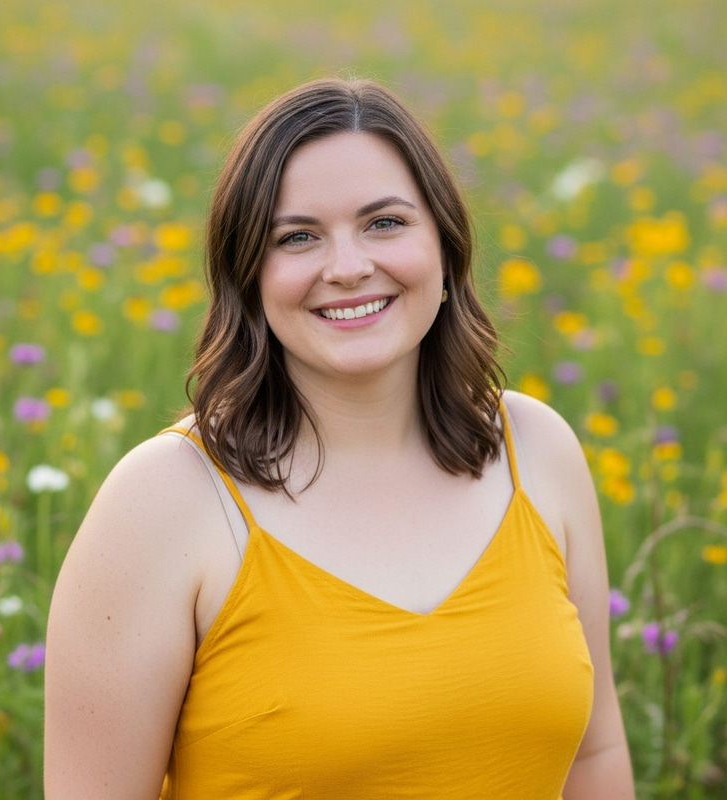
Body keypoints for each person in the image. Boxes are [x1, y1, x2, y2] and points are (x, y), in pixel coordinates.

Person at [44, 77, 634, 799]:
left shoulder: (535, 450)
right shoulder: (163, 502)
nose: (349, 268)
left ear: (446, 248)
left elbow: (595, 754)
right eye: (297, 237)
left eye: (384, 223)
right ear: (248, 276)